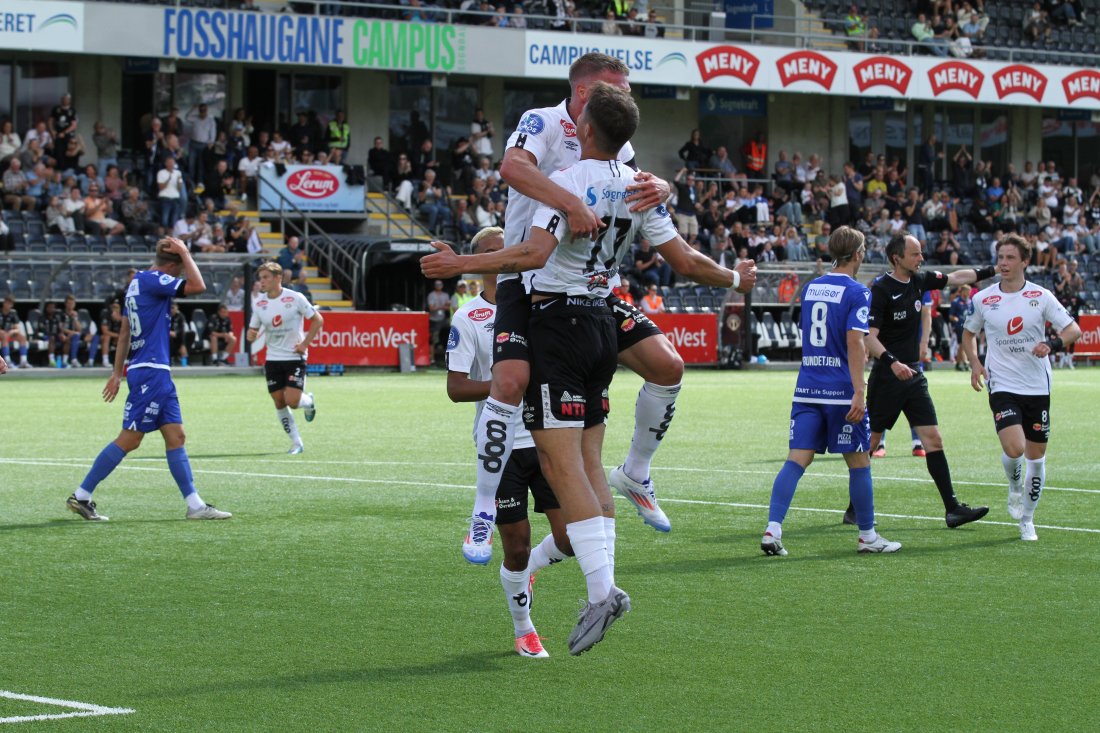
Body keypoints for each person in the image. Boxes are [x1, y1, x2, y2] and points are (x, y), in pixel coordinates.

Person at [423, 82, 755, 655]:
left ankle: (603, 591)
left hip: (559, 325)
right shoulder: (641, 187)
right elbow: (682, 260)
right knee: (592, 467)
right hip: (605, 324)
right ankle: (606, 573)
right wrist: (733, 278)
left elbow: (532, 256)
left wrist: (461, 263)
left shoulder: (572, 182)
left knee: (563, 466)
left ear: (588, 131)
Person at [421, 53, 687, 563]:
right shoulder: (541, 121)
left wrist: (662, 186)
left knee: (667, 365)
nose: (627, 96)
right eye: (620, 87)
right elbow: (512, 167)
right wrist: (570, 203)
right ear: (587, 92)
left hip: (591, 285)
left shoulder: (617, 138)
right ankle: (483, 508)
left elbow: (629, 184)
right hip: (528, 277)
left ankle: (636, 473)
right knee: (510, 383)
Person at [446, 226, 574, 657]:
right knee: (515, 547)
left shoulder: (542, 305)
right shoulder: (468, 317)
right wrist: (504, 387)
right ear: (479, 262)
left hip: (547, 436)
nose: (507, 256)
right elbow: (456, 387)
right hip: (500, 449)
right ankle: (524, 628)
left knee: (572, 538)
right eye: (496, 252)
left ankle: (532, 571)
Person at [65, 239, 232, 522]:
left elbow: (126, 331)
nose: (178, 276)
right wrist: (186, 253)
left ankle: (195, 505)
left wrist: (118, 373)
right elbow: (198, 286)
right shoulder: (155, 279)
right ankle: (81, 495)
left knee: (176, 436)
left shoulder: (136, 283)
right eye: (177, 270)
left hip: (152, 370)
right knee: (130, 439)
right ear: (170, 266)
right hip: (151, 372)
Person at [761, 227, 900, 556]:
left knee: (796, 460)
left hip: (807, 388)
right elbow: (855, 341)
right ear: (857, 254)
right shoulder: (857, 292)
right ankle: (867, 536)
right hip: (839, 392)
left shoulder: (810, 288)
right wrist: (859, 390)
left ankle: (773, 529)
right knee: (859, 462)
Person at [841, 232, 994, 528]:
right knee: (870, 443)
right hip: (888, 377)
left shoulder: (920, 280)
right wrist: (892, 362)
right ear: (897, 258)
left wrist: (990, 271)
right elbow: (868, 337)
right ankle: (853, 508)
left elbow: (954, 277)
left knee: (933, 439)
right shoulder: (881, 289)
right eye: (915, 254)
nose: (921, 258)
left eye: (921, 253)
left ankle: (952, 509)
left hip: (914, 377)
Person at [962, 235, 1081, 541]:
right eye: (1000, 257)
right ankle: (1015, 486)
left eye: (1010, 257)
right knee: (1014, 448)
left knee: (1036, 457)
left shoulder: (1041, 296)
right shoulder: (983, 298)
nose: (1003, 263)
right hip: (1002, 383)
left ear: (1025, 262)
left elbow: (1073, 330)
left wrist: (1051, 344)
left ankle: (1027, 519)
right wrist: (975, 363)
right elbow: (968, 333)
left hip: (1037, 385)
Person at [246, 262, 323, 455]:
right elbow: (253, 329)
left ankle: (309, 402)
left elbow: (317, 320)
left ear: (278, 278)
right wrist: (251, 334)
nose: (261, 282)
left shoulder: (295, 298)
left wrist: (304, 344)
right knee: (279, 401)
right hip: (272, 359)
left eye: (265, 277)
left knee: (293, 401)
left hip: (294, 356)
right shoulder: (259, 303)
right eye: (260, 278)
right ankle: (296, 443)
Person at [1, 295, 30, 369]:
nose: (8, 305)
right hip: (1, 333)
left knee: (22, 337)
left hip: (9, 333)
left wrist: (11, 332)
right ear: (4, 303)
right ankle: (7, 361)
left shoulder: (13, 313)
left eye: (10, 304)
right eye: (7, 303)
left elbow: (17, 328)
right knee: (4, 335)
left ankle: (23, 361)